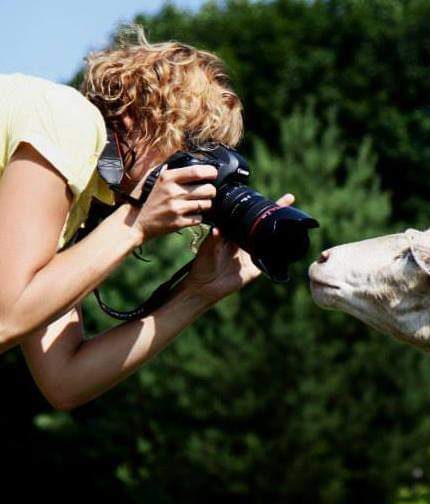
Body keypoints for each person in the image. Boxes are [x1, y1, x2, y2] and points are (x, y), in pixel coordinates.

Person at [0, 27, 294, 410]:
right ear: (142, 114)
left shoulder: (76, 205)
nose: (195, 170)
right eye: (193, 145)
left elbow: (65, 380)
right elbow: (5, 316)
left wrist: (196, 295)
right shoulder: (68, 119)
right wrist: (135, 225)